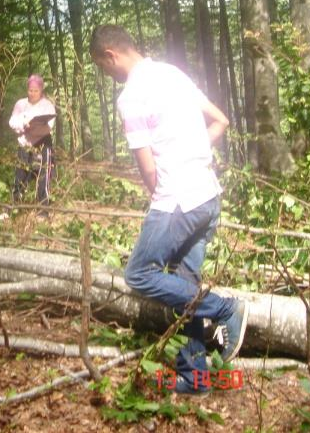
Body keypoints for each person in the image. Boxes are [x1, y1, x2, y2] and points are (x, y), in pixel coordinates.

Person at [89, 24, 248, 394]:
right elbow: (220, 120)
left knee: (139, 274)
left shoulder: (131, 97)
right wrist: (193, 152)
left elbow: (148, 169)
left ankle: (225, 309)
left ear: (111, 56)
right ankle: (195, 377)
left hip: (177, 200)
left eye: (103, 66)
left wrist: (159, 198)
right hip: (208, 195)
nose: (108, 74)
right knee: (182, 281)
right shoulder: (173, 74)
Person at [7, 74, 57, 209]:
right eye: (30, 90)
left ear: (41, 91)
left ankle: (43, 208)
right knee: (20, 174)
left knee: (43, 175)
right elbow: (12, 121)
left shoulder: (47, 105)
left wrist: (34, 128)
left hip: (43, 144)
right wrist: (23, 124)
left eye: (36, 91)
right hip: (24, 143)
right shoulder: (20, 104)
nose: (33, 93)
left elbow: (49, 126)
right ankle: (16, 205)